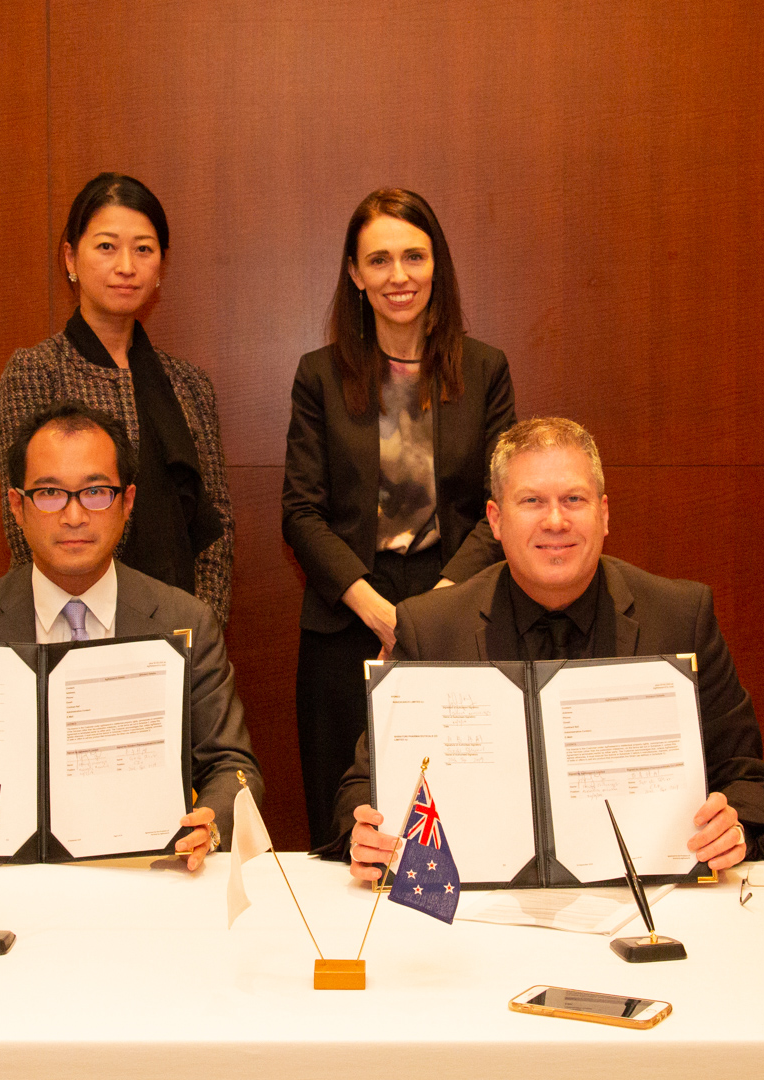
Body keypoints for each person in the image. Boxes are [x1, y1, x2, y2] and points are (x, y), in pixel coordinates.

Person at [330, 417, 764, 882]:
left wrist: (736, 826)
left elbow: (748, 780)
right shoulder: (431, 629)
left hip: (651, 900)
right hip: (474, 914)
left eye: (574, 500)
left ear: (604, 514)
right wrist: (363, 834)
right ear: (496, 520)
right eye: (532, 501)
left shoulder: (681, 617)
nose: (556, 520)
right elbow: (361, 788)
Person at [0, 403, 263, 870]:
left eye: (96, 491)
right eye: (51, 493)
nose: (74, 516)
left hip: (144, 874)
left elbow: (233, 768)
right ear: (17, 505)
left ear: (128, 501)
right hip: (10, 882)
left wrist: (209, 823)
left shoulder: (185, 620)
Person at [283, 188, 516, 849]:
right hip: (347, 624)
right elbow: (301, 512)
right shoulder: (319, 376)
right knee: (345, 832)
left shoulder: (485, 370)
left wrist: (432, 612)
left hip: (459, 613)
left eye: (413, 256)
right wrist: (381, 613)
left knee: (459, 827)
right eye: (378, 260)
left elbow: (502, 503)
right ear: (355, 274)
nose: (398, 276)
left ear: (436, 264)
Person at [0, 173, 234, 624]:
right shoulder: (34, 372)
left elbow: (215, 523)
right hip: (69, 627)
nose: (126, 266)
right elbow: (24, 524)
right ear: (71, 257)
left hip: (179, 626)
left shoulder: (190, 384)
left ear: (161, 264)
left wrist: (203, 629)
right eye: (106, 247)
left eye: (143, 249)